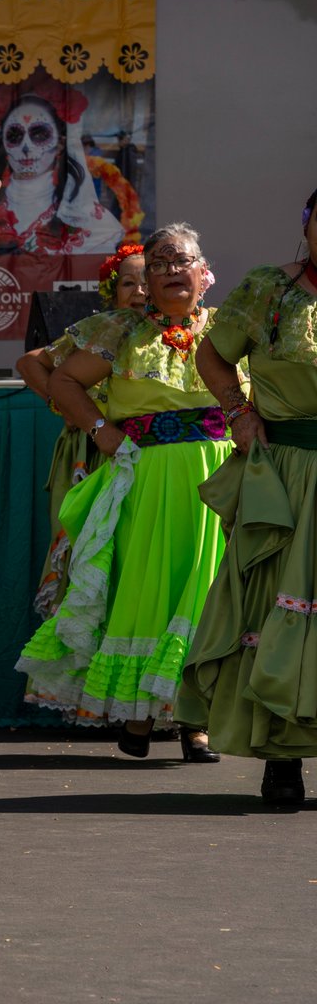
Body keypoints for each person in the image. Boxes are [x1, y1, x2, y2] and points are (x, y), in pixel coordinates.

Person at [16, 223, 232, 761]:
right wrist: (97, 429)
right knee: (148, 590)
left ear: (204, 273)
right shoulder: (119, 329)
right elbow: (61, 379)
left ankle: (194, 723)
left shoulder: (230, 330)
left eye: (182, 261)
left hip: (221, 479)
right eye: (159, 264)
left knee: (209, 595)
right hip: (148, 480)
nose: (171, 271)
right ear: (146, 279)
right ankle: (137, 717)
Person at [177, 191, 317, 804]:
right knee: (277, 609)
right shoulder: (270, 290)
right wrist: (238, 411)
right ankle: (281, 758)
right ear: (308, 227)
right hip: (289, 474)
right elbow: (213, 353)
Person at [17, 243, 146, 619]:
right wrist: (67, 408)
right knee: (86, 546)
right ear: (112, 293)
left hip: (139, 450)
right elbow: (29, 363)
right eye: (127, 284)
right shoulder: (98, 330)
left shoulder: (167, 333)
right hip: (90, 452)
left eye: (144, 282)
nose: (138, 292)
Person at [0, 79, 126, 254]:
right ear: (3, 144)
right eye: (15, 135)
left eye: (39, 134)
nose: (26, 147)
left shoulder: (90, 220)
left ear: (60, 144)